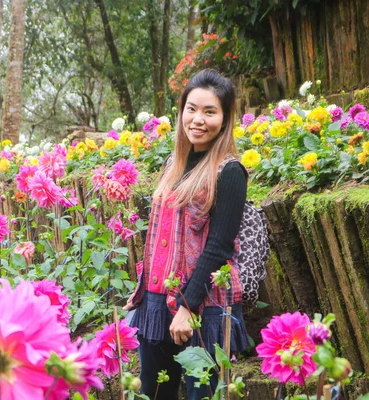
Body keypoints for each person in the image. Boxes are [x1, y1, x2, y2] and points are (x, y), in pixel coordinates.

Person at [124, 69, 250, 400]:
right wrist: (142, 296)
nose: (197, 119)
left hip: (200, 306)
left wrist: (186, 305)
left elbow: (219, 247)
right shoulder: (173, 165)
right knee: (153, 393)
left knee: (201, 394)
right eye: (191, 109)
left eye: (210, 111)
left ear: (224, 119)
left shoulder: (230, 172)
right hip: (155, 304)